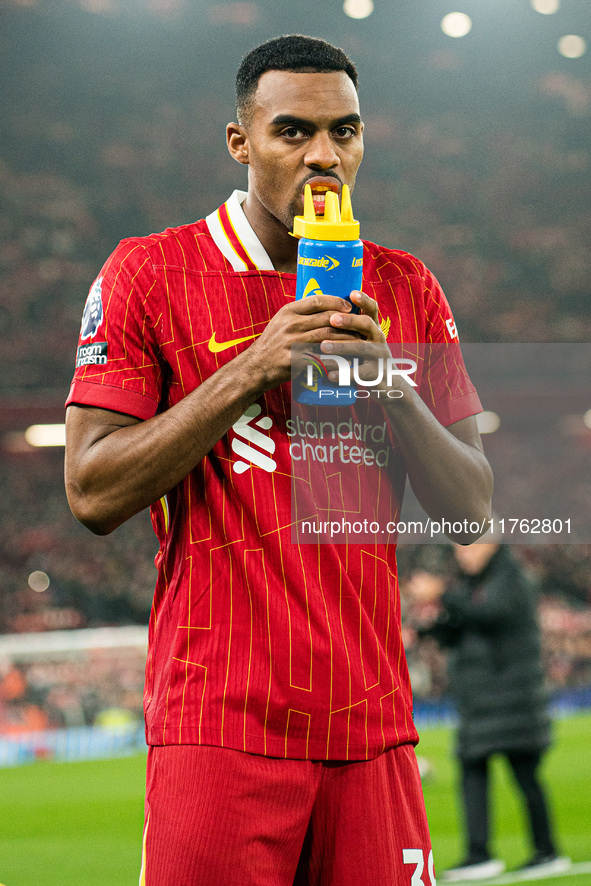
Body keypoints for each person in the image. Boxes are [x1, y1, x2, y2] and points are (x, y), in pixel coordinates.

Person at [64, 35, 493, 886]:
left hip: (370, 726)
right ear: (241, 141)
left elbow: (472, 509)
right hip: (218, 721)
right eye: (293, 131)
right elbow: (91, 489)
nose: (323, 156)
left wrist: (388, 382)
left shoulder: (405, 287)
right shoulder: (151, 271)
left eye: (344, 132)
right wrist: (250, 370)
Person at [415, 543, 570, 882]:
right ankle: (487, 852)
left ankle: (540, 851)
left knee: (523, 774)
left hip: (511, 697)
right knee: (477, 771)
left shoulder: (513, 577)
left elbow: (490, 615)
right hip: (484, 700)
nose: (460, 554)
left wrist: (443, 592)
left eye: (466, 547)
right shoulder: (475, 583)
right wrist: (427, 630)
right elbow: (461, 626)